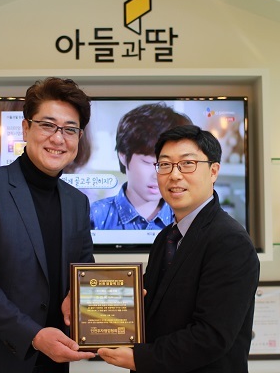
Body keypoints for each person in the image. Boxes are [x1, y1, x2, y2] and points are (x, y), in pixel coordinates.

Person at [0, 77, 96, 373]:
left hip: (53, 360)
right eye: (48, 125)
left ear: (79, 137)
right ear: (26, 128)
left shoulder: (77, 201)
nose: (58, 139)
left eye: (70, 129)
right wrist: (34, 336)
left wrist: (114, 295)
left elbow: (83, 271)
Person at [98, 125, 260, 373]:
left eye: (187, 164)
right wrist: (93, 306)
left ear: (213, 171)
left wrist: (139, 359)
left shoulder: (230, 241)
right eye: (164, 164)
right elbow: (153, 305)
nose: (174, 175)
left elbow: (211, 336)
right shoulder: (167, 237)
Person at [90, 103, 191, 230]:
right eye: (148, 162)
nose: (157, 175)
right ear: (123, 156)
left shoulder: (189, 218)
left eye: (166, 164)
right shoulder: (96, 216)